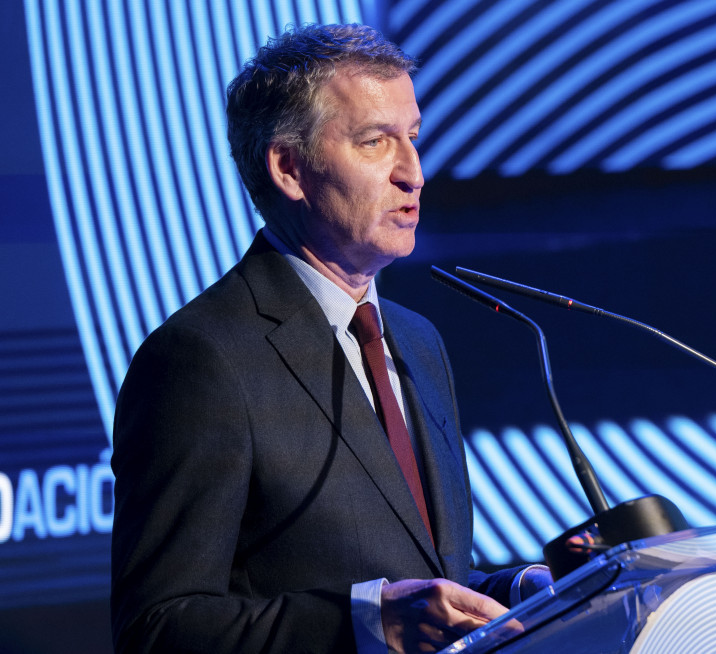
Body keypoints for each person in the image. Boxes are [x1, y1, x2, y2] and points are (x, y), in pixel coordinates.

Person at [110, 23, 550, 654]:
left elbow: (426, 580)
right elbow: (157, 627)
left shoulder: (417, 341)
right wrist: (364, 623)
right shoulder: (201, 361)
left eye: (414, 139)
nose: (414, 174)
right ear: (290, 168)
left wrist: (526, 587)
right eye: (376, 142)